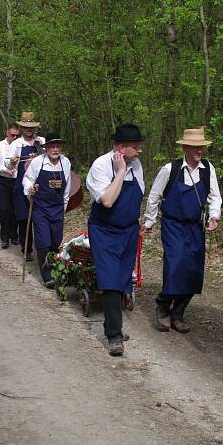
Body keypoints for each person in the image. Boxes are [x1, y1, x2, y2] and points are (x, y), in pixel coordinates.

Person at [144, 127, 222, 333]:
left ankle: (178, 312)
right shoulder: (171, 169)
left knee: (194, 270)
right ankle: (163, 305)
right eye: (195, 147)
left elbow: (215, 196)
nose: (200, 151)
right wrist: (150, 221)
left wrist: (214, 215)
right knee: (176, 264)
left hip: (196, 225)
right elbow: (154, 196)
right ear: (185, 147)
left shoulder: (208, 168)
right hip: (173, 225)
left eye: (202, 147)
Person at [86, 124, 146, 356]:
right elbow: (108, 201)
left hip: (128, 230)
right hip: (105, 230)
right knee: (110, 279)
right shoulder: (101, 166)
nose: (140, 151)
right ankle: (114, 336)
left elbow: (138, 195)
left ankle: (114, 324)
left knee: (122, 279)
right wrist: (120, 171)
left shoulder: (137, 165)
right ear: (121, 148)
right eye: (135, 146)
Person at [22, 132, 71, 288]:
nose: (55, 149)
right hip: (40, 208)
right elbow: (27, 179)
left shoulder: (65, 162)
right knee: (43, 241)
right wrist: (30, 189)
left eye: (58, 146)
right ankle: (46, 274)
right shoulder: (38, 162)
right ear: (46, 148)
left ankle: (55, 267)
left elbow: (67, 187)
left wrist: (64, 207)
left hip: (57, 208)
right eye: (52, 147)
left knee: (56, 242)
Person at [6, 112, 45, 260]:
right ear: (21, 128)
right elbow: (7, 163)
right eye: (26, 127)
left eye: (31, 127)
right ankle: (26, 248)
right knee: (23, 218)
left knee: (39, 217)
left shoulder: (40, 142)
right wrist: (13, 161)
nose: (29, 130)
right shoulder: (16, 144)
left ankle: (43, 248)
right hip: (21, 183)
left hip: (40, 184)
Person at [0, 123, 22, 248]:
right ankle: (4, 237)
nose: (14, 137)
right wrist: (5, 169)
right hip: (3, 181)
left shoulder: (20, 146)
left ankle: (14, 235)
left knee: (15, 209)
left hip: (17, 181)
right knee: (4, 209)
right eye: (12, 134)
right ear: (7, 132)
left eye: (16, 135)